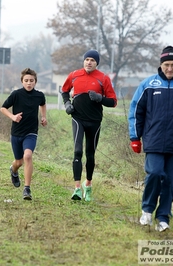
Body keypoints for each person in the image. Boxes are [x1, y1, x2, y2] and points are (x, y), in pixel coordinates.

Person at [128, 46, 173, 231]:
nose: (170, 69)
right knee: (154, 173)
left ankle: (163, 217)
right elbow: (136, 111)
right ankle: (147, 210)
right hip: (153, 140)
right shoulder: (148, 85)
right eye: (167, 65)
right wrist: (134, 137)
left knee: (169, 180)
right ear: (161, 65)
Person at [61, 49, 117, 202]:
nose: (89, 62)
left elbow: (113, 101)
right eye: (87, 60)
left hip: (94, 121)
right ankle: (77, 188)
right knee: (77, 151)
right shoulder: (74, 75)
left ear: (96, 63)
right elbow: (64, 90)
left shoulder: (103, 78)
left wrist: (100, 98)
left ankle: (88, 185)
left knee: (90, 154)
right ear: (83, 61)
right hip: (78, 118)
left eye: (92, 60)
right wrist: (67, 104)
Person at [0, 68, 47, 200]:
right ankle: (13, 170)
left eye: (31, 81)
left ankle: (27, 189)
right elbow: (3, 108)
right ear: (22, 82)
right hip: (16, 133)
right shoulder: (16, 94)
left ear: (35, 82)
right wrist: (13, 117)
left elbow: (43, 104)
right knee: (18, 162)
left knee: (27, 156)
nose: (29, 83)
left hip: (31, 132)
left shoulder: (39, 95)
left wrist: (43, 117)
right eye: (26, 81)